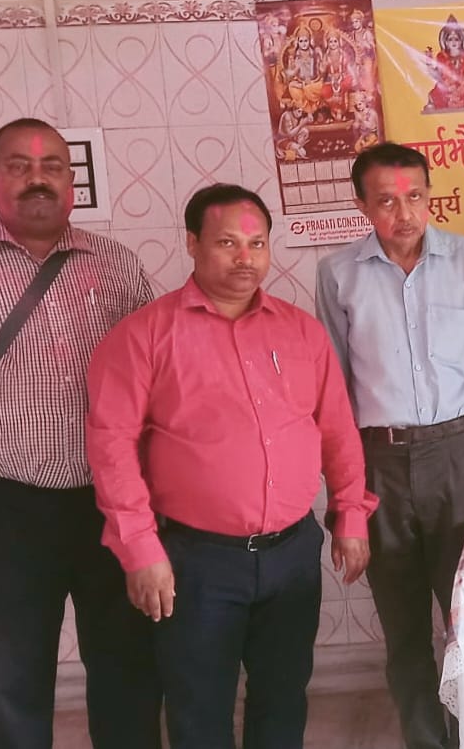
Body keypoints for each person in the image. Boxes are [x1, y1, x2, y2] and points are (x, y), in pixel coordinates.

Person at [86, 183, 378, 749]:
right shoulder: (144, 335)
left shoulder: (300, 330)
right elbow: (112, 447)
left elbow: (337, 429)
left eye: (257, 243)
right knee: (199, 707)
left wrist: (351, 514)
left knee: (283, 698)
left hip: (292, 554)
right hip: (195, 562)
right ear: (193, 244)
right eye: (227, 243)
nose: (246, 257)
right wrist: (140, 549)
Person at [0, 117, 162, 749]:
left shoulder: (117, 266)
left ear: (71, 181)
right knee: (12, 676)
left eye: (52, 166)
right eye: (19, 166)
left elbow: (156, 387)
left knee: (127, 664)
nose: (38, 179)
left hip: (111, 504)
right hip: (6, 511)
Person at [316, 143, 464, 749]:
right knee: (403, 625)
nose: (403, 213)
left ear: (430, 196)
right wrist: (346, 494)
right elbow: (334, 390)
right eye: (386, 201)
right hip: (378, 462)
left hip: (459, 456)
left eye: (415, 197)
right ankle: (425, 740)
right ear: (362, 205)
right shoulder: (337, 274)